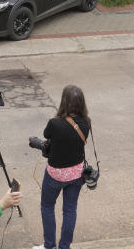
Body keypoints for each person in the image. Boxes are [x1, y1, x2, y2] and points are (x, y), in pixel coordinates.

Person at [33, 85, 91, 249]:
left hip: (55, 175)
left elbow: (46, 135)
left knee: (47, 206)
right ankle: (64, 246)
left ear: (64, 102)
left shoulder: (55, 123)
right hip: (76, 173)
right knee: (70, 210)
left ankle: (49, 245)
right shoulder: (86, 122)